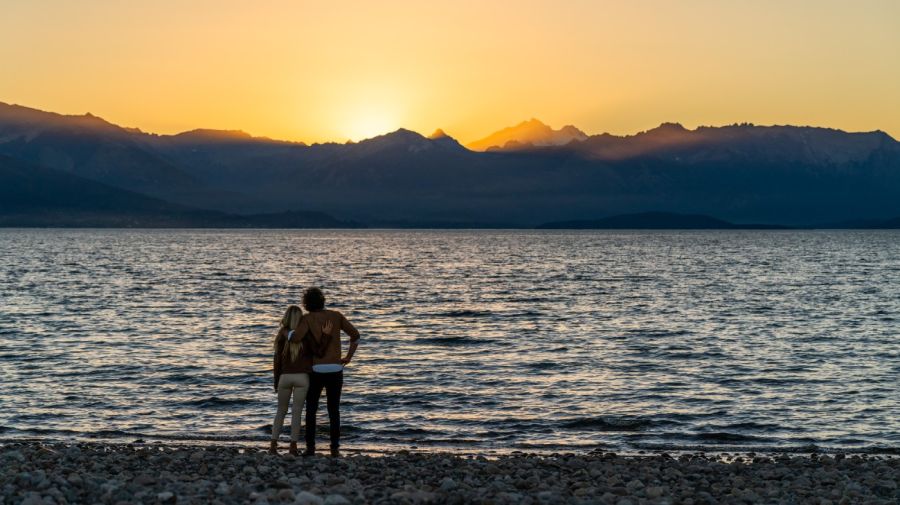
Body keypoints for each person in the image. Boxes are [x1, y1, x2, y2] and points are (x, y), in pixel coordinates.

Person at [293, 287, 360, 457]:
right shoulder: (336, 316)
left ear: (306, 303)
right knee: (334, 410)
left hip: (315, 370)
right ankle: (335, 448)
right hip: (336, 369)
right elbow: (355, 335)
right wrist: (348, 357)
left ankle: (310, 448)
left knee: (311, 409)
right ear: (323, 300)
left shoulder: (307, 319)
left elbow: (296, 338)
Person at [270, 305, 331, 456]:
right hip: (302, 377)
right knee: (297, 412)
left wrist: (276, 381)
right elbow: (319, 352)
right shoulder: (306, 335)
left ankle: (272, 446)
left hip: (285, 377)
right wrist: (325, 336)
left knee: (280, 412)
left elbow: (276, 361)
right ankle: (293, 447)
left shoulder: (281, 336)